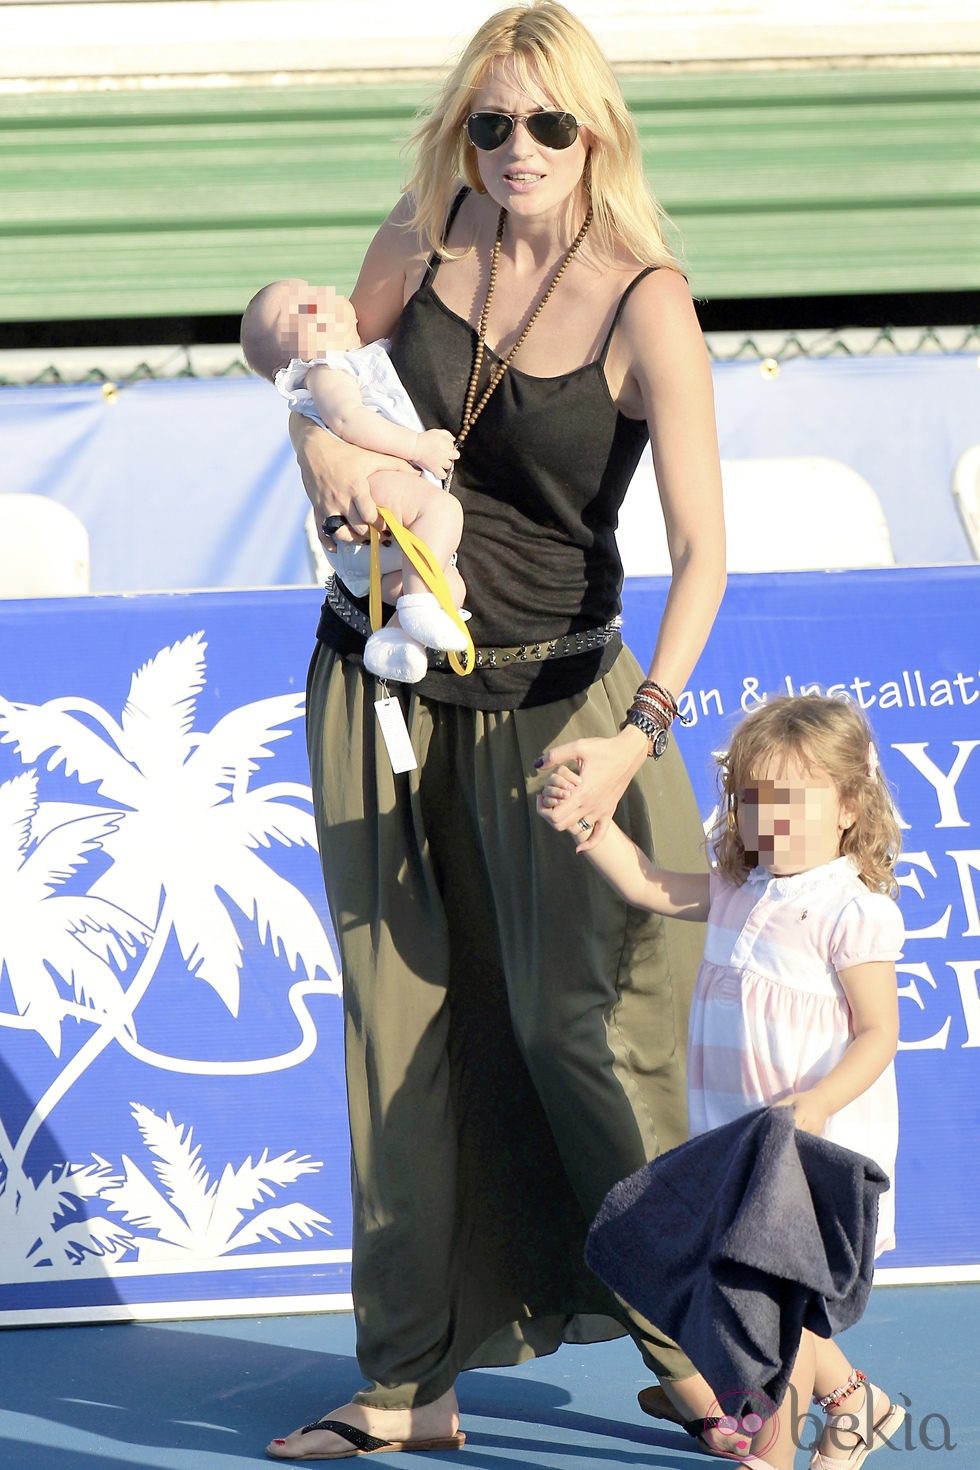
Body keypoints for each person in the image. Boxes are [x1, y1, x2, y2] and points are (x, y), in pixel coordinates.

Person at [267, 0, 728, 1460]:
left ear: (597, 131)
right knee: (395, 1040)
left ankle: (725, 1351)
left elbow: (707, 554)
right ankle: (408, 1382)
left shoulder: (646, 296)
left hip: (562, 710)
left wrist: (641, 732)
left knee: (590, 1044)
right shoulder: (420, 233)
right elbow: (313, 378)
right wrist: (334, 443)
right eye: (489, 121)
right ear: (457, 126)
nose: (514, 149)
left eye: (546, 123)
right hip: (381, 685)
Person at [538, 693, 907, 1470]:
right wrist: (587, 821)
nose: (772, 820)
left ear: (848, 806)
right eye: (753, 801)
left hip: (814, 1145)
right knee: (773, 1300)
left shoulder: (850, 908)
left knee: (773, 1303)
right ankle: (857, 1406)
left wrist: (816, 1104)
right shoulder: (739, 890)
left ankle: (768, 1455)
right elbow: (643, 884)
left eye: (795, 801)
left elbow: (878, 1033)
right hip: (738, 1138)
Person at [240, 277, 468, 683]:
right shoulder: (328, 368)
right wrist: (418, 446)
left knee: (452, 587)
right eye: (307, 305)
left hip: (373, 534)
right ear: (296, 352)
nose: (324, 293)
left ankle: (396, 640)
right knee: (442, 511)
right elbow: (348, 420)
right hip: (372, 489)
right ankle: (417, 599)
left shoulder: (348, 362)